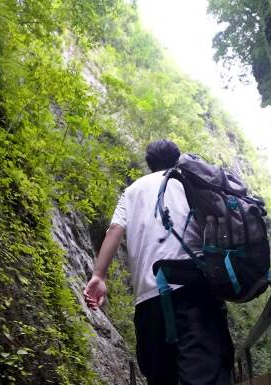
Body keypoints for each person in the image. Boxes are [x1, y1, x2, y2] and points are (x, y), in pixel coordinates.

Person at [83, 139, 234, 385]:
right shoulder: (188, 180)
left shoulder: (131, 192)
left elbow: (114, 230)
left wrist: (99, 276)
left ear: (149, 163)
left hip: (148, 303)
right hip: (194, 293)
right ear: (177, 158)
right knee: (207, 374)